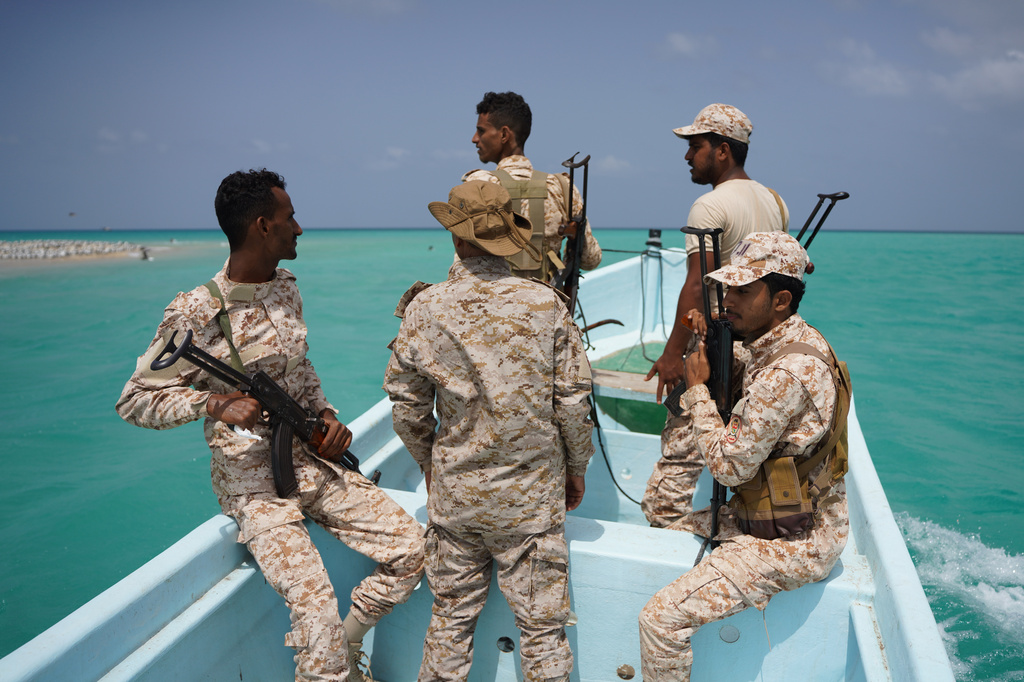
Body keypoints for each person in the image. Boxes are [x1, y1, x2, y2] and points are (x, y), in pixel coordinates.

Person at [116, 169, 425, 682]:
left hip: (308, 461)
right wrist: (212, 405)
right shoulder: (196, 311)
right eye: (289, 218)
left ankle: (351, 641)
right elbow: (134, 401)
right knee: (316, 616)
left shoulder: (285, 288)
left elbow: (300, 368)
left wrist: (326, 416)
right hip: (253, 487)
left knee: (415, 550)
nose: (298, 228)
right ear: (262, 225)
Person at [383, 180, 595, 682]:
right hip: (531, 503)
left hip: (457, 499)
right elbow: (572, 405)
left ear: (456, 236)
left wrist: (430, 466)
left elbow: (408, 409)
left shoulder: (425, 308)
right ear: (506, 238)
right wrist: (576, 469)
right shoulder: (545, 305)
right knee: (543, 634)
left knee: (449, 623)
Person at [637, 231, 849, 681]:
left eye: (743, 291)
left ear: (781, 300)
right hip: (765, 515)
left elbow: (728, 466)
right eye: (727, 288)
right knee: (664, 530)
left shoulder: (787, 371)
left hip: (795, 542)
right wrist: (713, 344)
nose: (727, 301)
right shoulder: (782, 340)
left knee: (660, 621)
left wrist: (698, 390)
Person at [642, 103, 791, 527]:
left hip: (713, 345)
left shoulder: (709, 206)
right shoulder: (775, 201)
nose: (688, 156)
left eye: (696, 146)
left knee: (679, 459)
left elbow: (697, 286)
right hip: (758, 348)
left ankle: (664, 531)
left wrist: (673, 354)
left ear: (722, 150)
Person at [463, 90, 601, 282]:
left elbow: (463, 264)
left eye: (481, 131)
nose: (474, 139)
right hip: (547, 299)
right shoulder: (562, 187)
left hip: (493, 299)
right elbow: (591, 259)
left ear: (504, 134)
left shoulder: (478, 185)